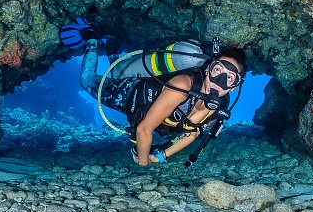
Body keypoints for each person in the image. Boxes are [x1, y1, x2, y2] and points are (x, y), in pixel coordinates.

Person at [62, 18, 246, 167]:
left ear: (235, 86)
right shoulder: (182, 86)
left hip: (146, 110)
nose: (220, 81)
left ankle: (111, 47)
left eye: (230, 78)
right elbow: (144, 128)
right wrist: (143, 164)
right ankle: (92, 39)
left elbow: (193, 133)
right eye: (217, 71)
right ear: (208, 69)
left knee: (116, 72)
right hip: (127, 95)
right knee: (86, 80)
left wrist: (162, 156)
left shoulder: (221, 105)